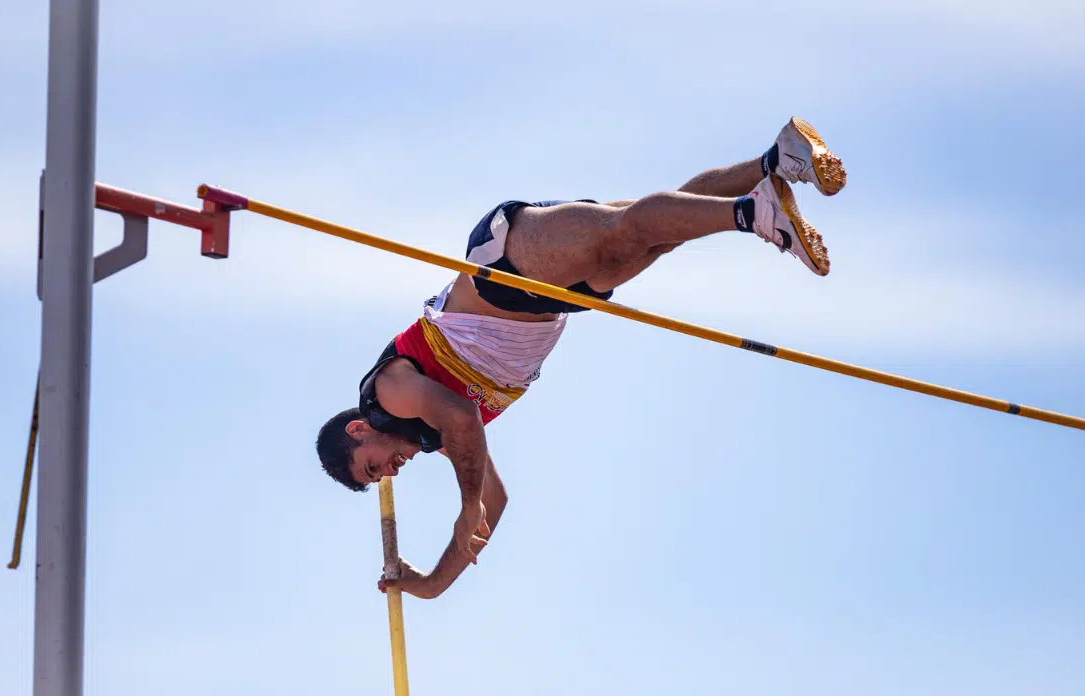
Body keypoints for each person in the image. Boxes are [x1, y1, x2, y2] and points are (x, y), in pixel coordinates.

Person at [315, 117, 846, 599]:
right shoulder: (428, 435)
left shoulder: (388, 393)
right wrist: (429, 585)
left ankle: (756, 215)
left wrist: (464, 505)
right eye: (379, 480)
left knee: (629, 233)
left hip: (506, 268)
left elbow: (463, 420)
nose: (391, 472)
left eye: (372, 467)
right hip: (541, 303)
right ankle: (778, 161)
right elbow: (493, 504)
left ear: (360, 430)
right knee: (654, 232)